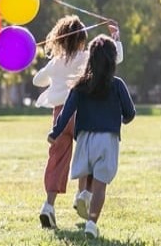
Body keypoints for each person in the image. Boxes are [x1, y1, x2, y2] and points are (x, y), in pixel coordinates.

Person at [33, 15, 122, 229]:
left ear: (60, 40)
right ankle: (83, 195)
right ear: (82, 39)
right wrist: (116, 37)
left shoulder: (56, 62)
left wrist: (54, 75)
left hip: (59, 117)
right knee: (89, 156)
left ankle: (49, 206)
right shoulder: (86, 58)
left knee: (57, 160)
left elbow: (37, 80)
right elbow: (115, 57)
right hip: (82, 114)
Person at [47, 34, 136, 238]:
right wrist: (121, 120)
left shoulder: (80, 85)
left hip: (85, 138)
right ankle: (91, 223)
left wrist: (55, 132)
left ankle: (83, 194)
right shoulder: (117, 84)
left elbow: (66, 112)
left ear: (90, 58)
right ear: (113, 60)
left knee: (88, 174)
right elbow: (130, 113)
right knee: (100, 185)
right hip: (108, 139)